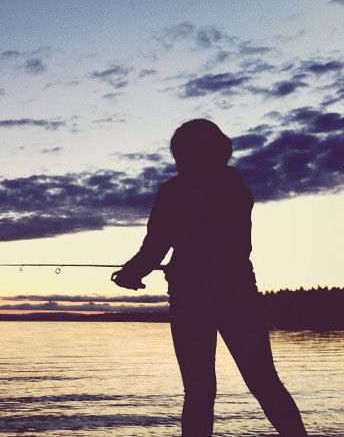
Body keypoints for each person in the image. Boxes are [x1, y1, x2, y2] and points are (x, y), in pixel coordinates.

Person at [111, 119, 307, 436]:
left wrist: (131, 273)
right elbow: (231, 245)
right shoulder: (237, 187)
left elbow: (157, 244)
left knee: (199, 392)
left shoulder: (174, 191)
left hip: (192, 300)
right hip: (240, 293)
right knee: (264, 381)